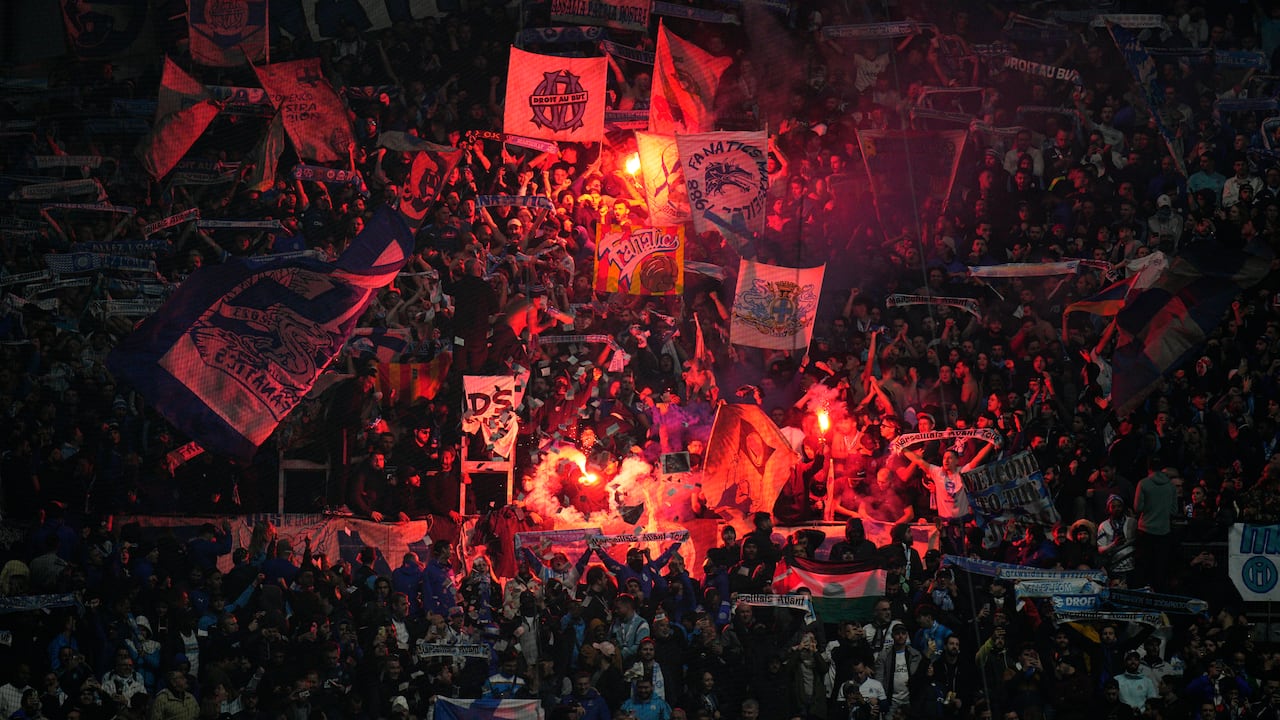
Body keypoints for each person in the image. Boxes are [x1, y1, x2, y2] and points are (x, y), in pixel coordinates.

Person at [899, 441, 1000, 553]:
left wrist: (991, 442)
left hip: (963, 524)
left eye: (950, 458)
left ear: (957, 461)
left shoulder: (962, 472)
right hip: (944, 525)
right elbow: (919, 461)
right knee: (946, 554)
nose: (946, 460)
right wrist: (902, 448)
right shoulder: (937, 473)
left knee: (963, 553)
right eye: (944, 458)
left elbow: (977, 459)